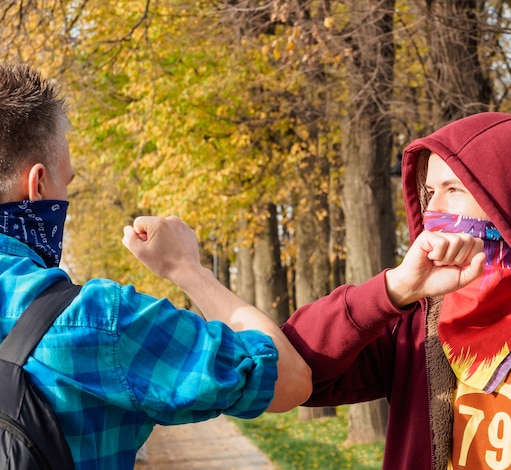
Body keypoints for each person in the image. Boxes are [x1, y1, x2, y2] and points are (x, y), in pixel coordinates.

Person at [0, 62, 311, 469]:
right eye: (67, 182)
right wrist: (188, 270)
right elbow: (288, 378)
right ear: (37, 185)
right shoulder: (94, 321)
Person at [281, 112, 511, 469]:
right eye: (430, 192)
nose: (434, 210)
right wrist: (395, 289)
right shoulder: (413, 330)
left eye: (455, 190)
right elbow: (296, 367)